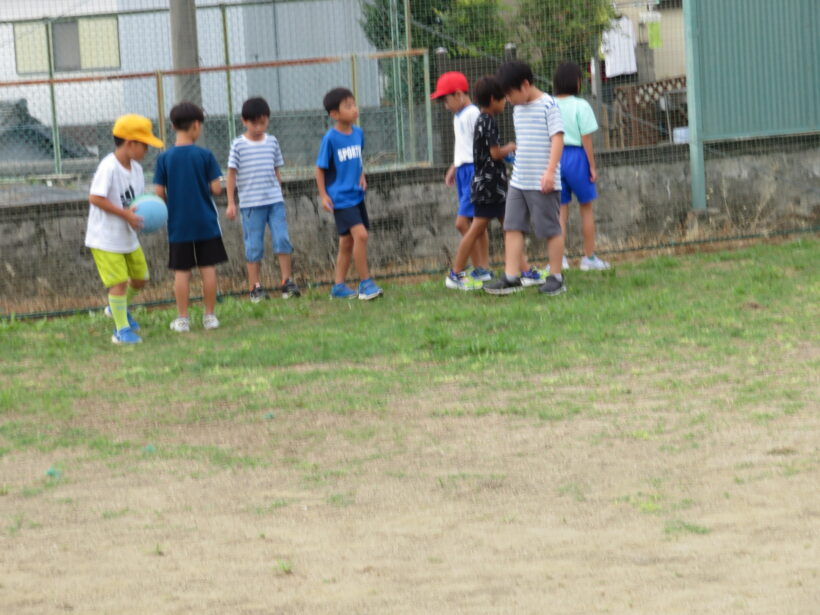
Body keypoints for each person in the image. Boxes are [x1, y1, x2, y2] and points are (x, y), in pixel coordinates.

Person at [445, 76, 543, 291]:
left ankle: (526, 271)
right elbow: (495, 153)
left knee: (511, 227)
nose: (505, 102)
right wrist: (510, 147)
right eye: (502, 99)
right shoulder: (488, 122)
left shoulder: (481, 120)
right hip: (490, 187)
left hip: (491, 186)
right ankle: (455, 274)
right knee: (476, 229)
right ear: (492, 99)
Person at [484, 61, 567, 296]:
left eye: (510, 94)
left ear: (525, 85)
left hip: (543, 182)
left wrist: (550, 172)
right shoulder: (517, 109)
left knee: (551, 229)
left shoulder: (549, 106)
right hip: (519, 181)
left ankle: (556, 277)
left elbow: (558, 139)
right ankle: (511, 277)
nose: (507, 99)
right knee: (512, 227)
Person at [87, 114, 163, 345]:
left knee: (140, 279)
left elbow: (136, 202)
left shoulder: (137, 170)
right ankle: (121, 331)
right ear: (130, 144)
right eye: (144, 145)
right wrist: (125, 215)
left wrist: (148, 213)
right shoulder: (108, 167)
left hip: (127, 237)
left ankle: (115, 307)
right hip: (105, 238)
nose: (147, 150)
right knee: (118, 283)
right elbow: (95, 198)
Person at [153, 102, 227, 332]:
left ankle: (183, 319)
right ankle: (210, 317)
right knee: (208, 268)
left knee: (181, 272)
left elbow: (158, 193)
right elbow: (216, 189)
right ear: (196, 125)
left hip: (178, 224)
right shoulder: (205, 155)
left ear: (173, 126)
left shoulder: (164, 158)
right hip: (205, 222)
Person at [226, 96, 301, 301]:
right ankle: (255, 286)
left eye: (263, 122)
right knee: (254, 246)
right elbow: (231, 174)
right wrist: (232, 202)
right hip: (250, 205)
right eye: (254, 123)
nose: (259, 127)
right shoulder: (238, 145)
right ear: (244, 121)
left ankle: (287, 282)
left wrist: (278, 183)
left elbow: (276, 169)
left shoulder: (272, 141)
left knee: (282, 239)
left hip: (274, 201)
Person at [315, 87, 382, 300]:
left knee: (347, 242)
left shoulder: (358, 133)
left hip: (357, 195)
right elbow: (320, 168)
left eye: (354, 104)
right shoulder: (330, 139)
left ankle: (338, 287)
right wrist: (324, 195)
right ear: (334, 114)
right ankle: (365, 283)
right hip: (341, 198)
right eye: (348, 106)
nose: (355, 109)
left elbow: (357, 159)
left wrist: (361, 174)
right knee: (361, 235)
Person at [430, 71, 492, 283]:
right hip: (464, 170)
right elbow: (464, 145)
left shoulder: (473, 113)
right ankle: (483, 267)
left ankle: (479, 267)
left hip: (475, 171)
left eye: (445, 100)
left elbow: (482, 143)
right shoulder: (459, 116)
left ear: (458, 94)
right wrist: (454, 167)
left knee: (463, 223)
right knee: (476, 221)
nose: (444, 105)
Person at [553, 62, 610, 271]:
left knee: (560, 212)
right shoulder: (581, 105)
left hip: (555, 157)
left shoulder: (549, 104)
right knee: (586, 210)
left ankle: (560, 259)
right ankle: (589, 258)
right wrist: (592, 167)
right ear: (577, 82)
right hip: (577, 157)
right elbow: (586, 139)